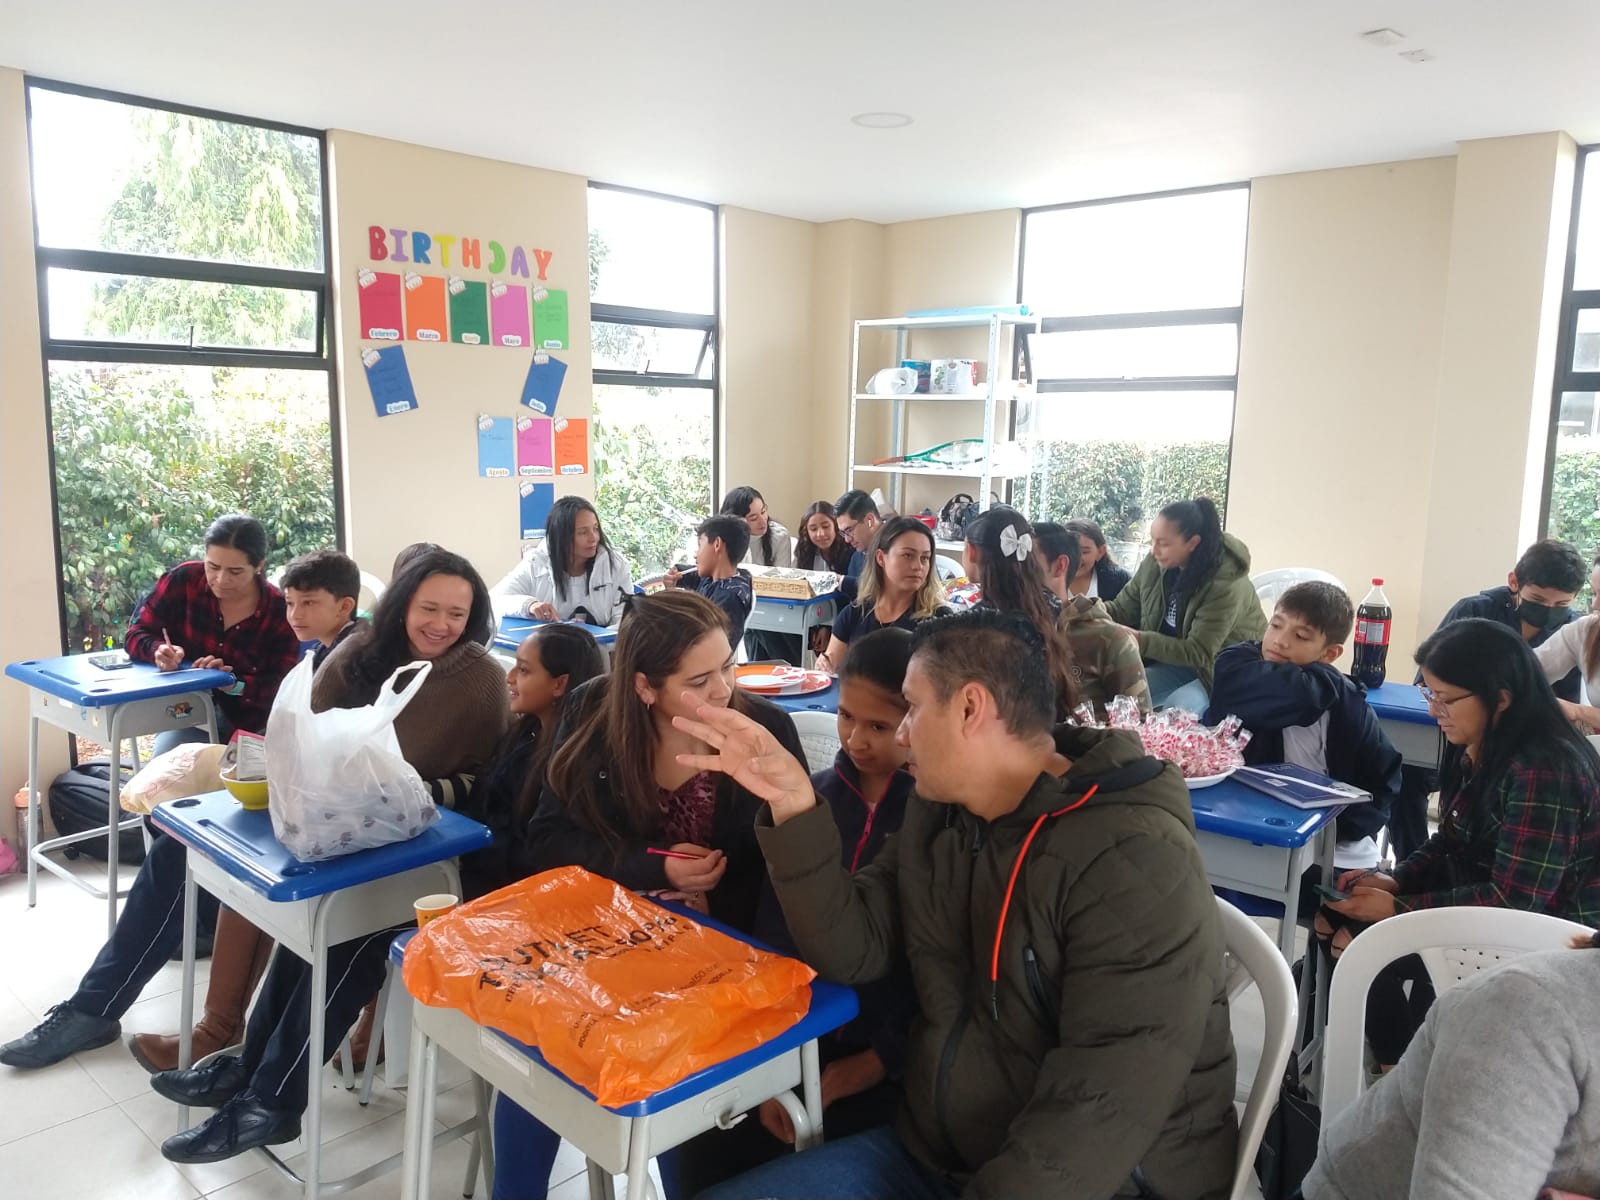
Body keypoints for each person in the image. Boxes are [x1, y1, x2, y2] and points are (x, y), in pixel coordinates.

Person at [681, 609, 1239, 1200]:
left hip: (1100, 1181)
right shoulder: (945, 816)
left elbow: (1096, 1114)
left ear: (971, 708)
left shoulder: (1134, 858)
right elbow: (853, 947)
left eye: (912, 708)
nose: (901, 734)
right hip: (939, 1154)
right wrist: (794, 805)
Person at [148, 549, 511, 1163]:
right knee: (305, 927)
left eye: (457, 613)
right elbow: (300, 740)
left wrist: (411, 793)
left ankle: (273, 1101)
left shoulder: (479, 680)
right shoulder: (359, 650)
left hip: (431, 855)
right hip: (336, 834)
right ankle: (250, 1068)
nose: (442, 624)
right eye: (429, 608)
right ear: (402, 605)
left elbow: (489, 785)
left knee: (351, 938)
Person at [490, 590, 804, 1199]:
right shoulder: (592, 712)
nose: (724, 691)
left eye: (728, 667)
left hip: (720, 960)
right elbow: (548, 840)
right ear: (644, 687)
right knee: (539, 1056)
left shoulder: (764, 728)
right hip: (611, 944)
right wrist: (654, 866)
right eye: (700, 681)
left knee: (686, 1107)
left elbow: (788, 870)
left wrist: (716, 907)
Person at [0, 548, 362, 1072]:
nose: (295, 614)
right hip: (274, 777)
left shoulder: (350, 657)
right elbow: (139, 633)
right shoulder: (320, 649)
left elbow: (315, 741)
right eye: (293, 603)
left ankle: (136, 1013)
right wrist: (172, 659)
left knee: (182, 846)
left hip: (313, 807)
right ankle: (107, 1007)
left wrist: (232, 686)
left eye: (308, 604)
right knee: (172, 834)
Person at [677, 628, 918, 1194]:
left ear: (917, 722)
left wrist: (870, 1064)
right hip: (790, 1035)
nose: (855, 739)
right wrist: (778, 1064)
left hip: (887, 1056)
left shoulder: (932, 818)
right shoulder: (808, 800)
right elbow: (772, 929)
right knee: (700, 1144)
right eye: (846, 717)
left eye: (879, 726)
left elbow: (932, 972)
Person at [1318, 618, 1600, 1068]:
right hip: (1488, 907)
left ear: (1501, 698)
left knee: (1355, 943)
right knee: (1331, 917)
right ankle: (1406, 1060)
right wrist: (1395, 880)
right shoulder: (1488, 742)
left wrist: (1399, 910)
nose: (1434, 712)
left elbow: (1517, 902)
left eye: (1445, 699)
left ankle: (1402, 1066)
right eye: (1429, 695)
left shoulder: (1544, 770)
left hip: (1550, 939)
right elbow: (1450, 840)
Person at [1303, 935, 1600, 1200]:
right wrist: (1395, 900)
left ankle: (1393, 1068)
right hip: (1494, 971)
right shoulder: (1531, 1015)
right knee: (1350, 938)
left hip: (1486, 946)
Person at [1392, 538, 1588, 860]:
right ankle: (1409, 860)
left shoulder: (1572, 632)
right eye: (1538, 600)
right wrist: (1404, 880)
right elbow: (1430, 677)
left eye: (1561, 604)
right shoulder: (1475, 612)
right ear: (1514, 582)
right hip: (1466, 739)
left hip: (1518, 744)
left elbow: (1557, 708)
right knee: (1408, 778)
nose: (1548, 612)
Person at [1205, 581, 1401, 874]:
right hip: (1250, 827)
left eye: (1300, 636)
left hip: (1332, 842)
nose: (1280, 641)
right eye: (1275, 625)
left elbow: (1383, 781)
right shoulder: (1237, 664)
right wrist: (1327, 679)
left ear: (1330, 654)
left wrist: (1335, 829)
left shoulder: (1349, 707)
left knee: (1350, 894)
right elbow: (1301, 695)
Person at [124, 512, 301, 753]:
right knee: (169, 768)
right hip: (186, 716)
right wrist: (159, 651)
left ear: (259, 566)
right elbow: (136, 633)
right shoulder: (183, 581)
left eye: (235, 571)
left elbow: (282, 688)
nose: (221, 579)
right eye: (213, 566)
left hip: (253, 726)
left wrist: (231, 683)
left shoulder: (279, 610)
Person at [1107, 496, 1265, 713]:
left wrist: (1139, 640)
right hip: (1175, 661)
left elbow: (1199, 652)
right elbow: (1122, 609)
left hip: (1220, 669)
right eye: (1152, 541)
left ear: (1192, 543)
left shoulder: (1225, 583)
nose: (1154, 551)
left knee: (1178, 709)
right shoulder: (1155, 563)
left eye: (1164, 544)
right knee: (1120, 690)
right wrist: (1085, 610)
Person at [960, 508, 1076, 717]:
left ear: (972, 552)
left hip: (999, 724)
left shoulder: (979, 621)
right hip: (1046, 718)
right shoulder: (1048, 604)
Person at [1035, 521, 1150, 715]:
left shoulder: (1108, 639)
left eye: (1027, 566)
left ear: (1060, 566)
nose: (1015, 575)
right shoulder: (1007, 634)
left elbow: (1140, 724)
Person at [818, 517, 949, 672]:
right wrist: (823, 667)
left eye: (925, 558)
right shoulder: (854, 614)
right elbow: (829, 671)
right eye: (908, 555)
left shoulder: (940, 621)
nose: (918, 566)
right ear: (881, 558)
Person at [490, 495, 634, 626]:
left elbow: (625, 621)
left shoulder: (616, 565)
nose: (593, 538)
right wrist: (529, 605)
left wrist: (598, 640)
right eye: (582, 532)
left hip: (604, 645)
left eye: (595, 528)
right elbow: (494, 600)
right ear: (561, 537)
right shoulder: (537, 563)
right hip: (550, 644)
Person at [1532, 550, 1600, 734]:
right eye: (1594, 593)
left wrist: (1578, 711)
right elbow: (1527, 669)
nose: (1595, 605)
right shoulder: (1586, 630)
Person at [666, 515, 755, 646]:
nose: (695, 554)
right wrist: (675, 573)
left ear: (717, 544)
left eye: (699, 545)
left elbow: (708, 645)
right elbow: (688, 574)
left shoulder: (728, 598)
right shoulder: (725, 577)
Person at [722, 485, 793, 569]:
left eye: (763, 512)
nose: (763, 521)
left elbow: (783, 575)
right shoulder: (720, 540)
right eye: (754, 518)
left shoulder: (779, 536)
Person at [1063, 517, 1130, 602]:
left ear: (1100, 552)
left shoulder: (1119, 581)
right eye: (1068, 551)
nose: (1075, 558)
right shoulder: (1048, 581)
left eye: (1084, 552)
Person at [833, 489, 883, 580]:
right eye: (843, 533)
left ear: (870, 520)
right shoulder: (856, 558)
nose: (847, 540)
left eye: (849, 530)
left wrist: (843, 581)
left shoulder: (896, 548)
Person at [794, 500, 855, 575]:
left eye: (825, 527)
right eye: (813, 529)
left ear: (836, 526)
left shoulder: (850, 548)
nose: (820, 534)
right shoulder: (804, 548)